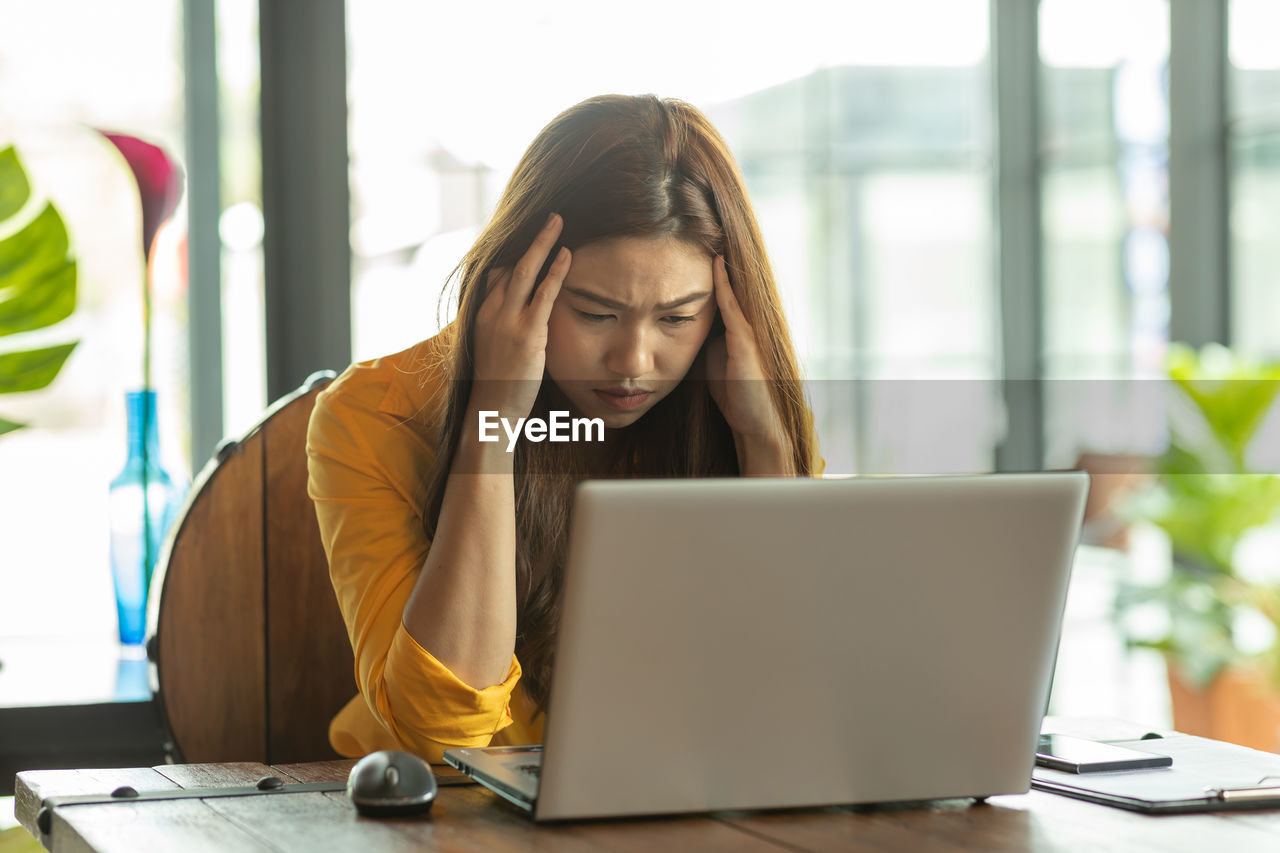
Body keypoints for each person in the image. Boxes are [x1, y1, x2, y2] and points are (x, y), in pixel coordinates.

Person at [307, 94, 822, 763]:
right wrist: (493, 416)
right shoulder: (371, 415)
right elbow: (441, 730)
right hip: (445, 815)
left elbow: (788, 697)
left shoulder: (743, 413)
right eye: (596, 313)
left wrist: (765, 448)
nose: (635, 363)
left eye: (676, 319)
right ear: (515, 283)